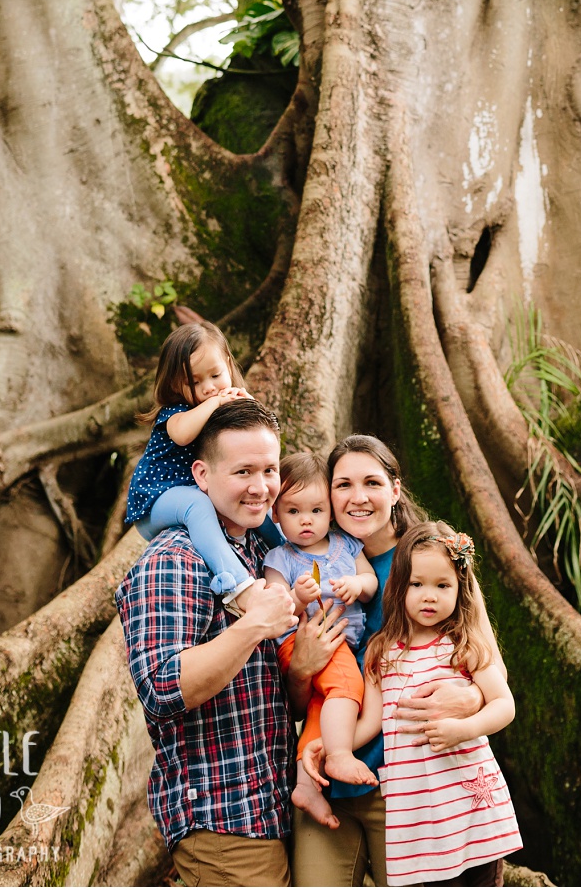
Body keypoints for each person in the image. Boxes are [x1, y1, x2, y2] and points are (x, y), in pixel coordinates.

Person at [117, 396, 309, 886]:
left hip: (281, 809)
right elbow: (161, 688)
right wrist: (252, 625)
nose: (261, 487)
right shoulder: (174, 561)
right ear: (201, 476)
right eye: (243, 471)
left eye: (269, 470)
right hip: (222, 823)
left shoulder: (261, 550)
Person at [289, 435, 495, 888]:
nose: (357, 497)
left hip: (411, 786)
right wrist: (301, 671)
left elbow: (487, 666)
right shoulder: (308, 559)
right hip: (328, 784)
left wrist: (471, 697)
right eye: (343, 485)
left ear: (395, 490)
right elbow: (294, 700)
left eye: (372, 483)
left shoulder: (435, 561)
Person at [353, 521, 520, 888]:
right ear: (398, 587)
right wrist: (328, 745)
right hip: (416, 820)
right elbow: (370, 721)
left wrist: (464, 728)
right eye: (417, 584)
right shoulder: (382, 653)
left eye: (442, 585)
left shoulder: (464, 645)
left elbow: (503, 704)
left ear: (461, 590)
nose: (429, 596)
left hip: (471, 809)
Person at [124, 320, 276, 613]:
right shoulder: (176, 414)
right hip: (157, 499)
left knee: (265, 507)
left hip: (197, 488)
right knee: (197, 505)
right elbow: (182, 434)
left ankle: (291, 550)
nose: (208, 388)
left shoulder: (223, 400)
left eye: (216, 375)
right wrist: (218, 401)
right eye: (195, 382)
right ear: (174, 384)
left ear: (228, 365)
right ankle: (237, 585)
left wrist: (245, 403)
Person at [262, 448, 378, 788]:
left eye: (316, 510)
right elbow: (276, 611)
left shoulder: (347, 545)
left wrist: (356, 584)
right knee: (347, 687)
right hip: (310, 643)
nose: (306, 519)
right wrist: (297, 598)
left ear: (330, 510)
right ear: (276, 515)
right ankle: (339, 755)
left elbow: (370, 583)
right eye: (293, 511)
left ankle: (305, 785)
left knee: (320, 708)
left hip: (337, 642)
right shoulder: (280, 558)